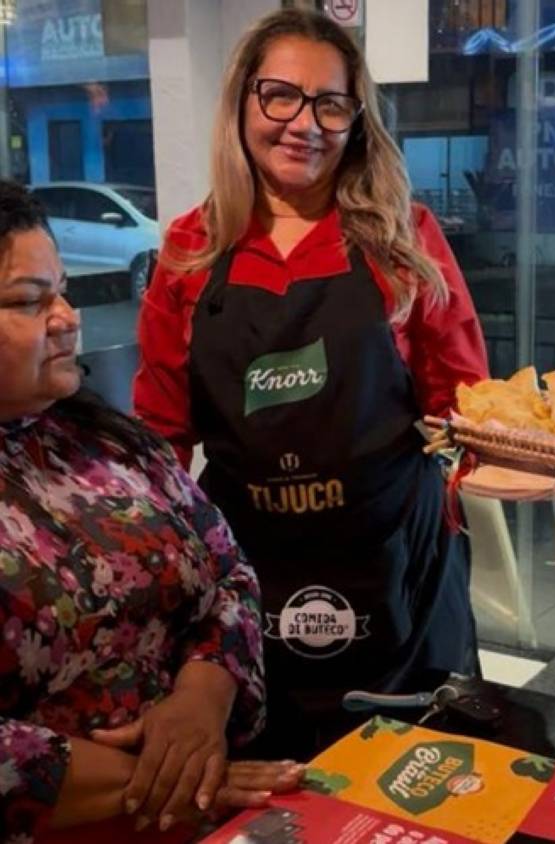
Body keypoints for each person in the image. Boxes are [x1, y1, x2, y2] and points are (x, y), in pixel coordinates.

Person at [133, 8, 489, 759]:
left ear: (357, 120)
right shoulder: (190, 251)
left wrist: (532, 454)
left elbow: (466, 408)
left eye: (331, 103)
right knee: (273, 794)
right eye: (281, 96)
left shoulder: (405, 237)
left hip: (399, 572)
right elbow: (161, 440)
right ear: (242, 103)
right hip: (250, 579)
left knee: (418, 785)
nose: (307, 124)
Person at [0, 180, 304, 844]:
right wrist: (174, 781)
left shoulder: (110, 441)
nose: (66, 317)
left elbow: (230, 575)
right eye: (30, 301)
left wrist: (202, 698)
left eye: (62, 290)